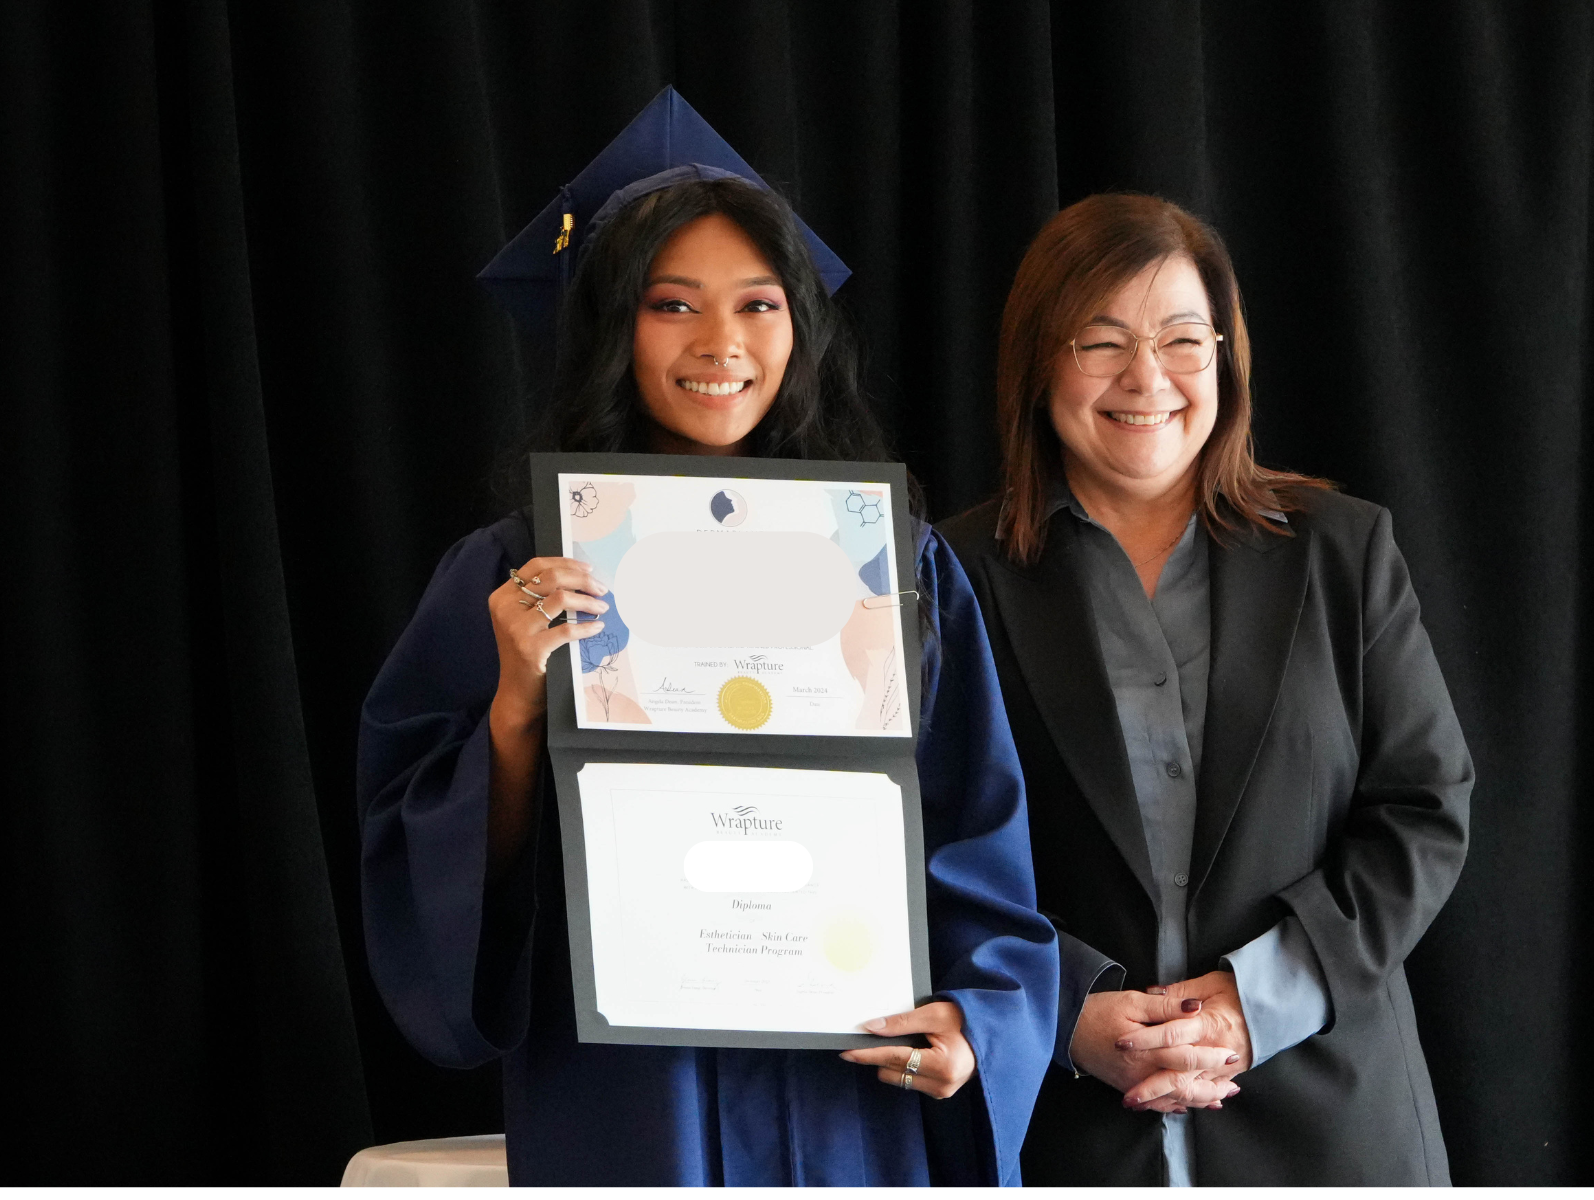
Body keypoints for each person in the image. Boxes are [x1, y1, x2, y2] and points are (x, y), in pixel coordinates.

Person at [357, 90, 1057, 1187]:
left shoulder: (895, 568)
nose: (722, 345)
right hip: (635, 1100)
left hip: (852, 1088)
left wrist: (978, 1022)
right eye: (671, 304)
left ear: (801, 326)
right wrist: (510, 714)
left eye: (760, 304)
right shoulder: (513, 574)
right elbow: (423, 880)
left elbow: (979, 827)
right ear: (608, 323)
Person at [938, 193, 1472, 1186]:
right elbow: (915, 845)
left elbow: (1426, 811)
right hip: (1066, 1132)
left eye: (1184, 338)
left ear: (1224, 355)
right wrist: (1059, 1012)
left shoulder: (1341, 553)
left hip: (1333, 1130)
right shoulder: (949, 576)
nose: (1148, 378)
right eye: (1101, 342)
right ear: (1038, 363)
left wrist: (1251, 1000)